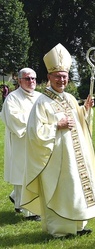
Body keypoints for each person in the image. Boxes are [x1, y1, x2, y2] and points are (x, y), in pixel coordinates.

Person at [21, 43, 95, 238]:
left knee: (77, 188)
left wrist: (85, 109)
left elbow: (79, 121)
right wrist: (57, 124)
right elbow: (34, 132)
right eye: (57, 76)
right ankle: (60, 230)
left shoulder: (70, 98)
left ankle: (78, 226)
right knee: (62, 192)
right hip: (55, 160)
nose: (61, 79)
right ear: (49, 78)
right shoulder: (42, 102)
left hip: (75, 157)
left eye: (64, 76)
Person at [1, 68, 41, 221]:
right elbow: (14, 119)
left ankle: (16, 198)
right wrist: (36, 122)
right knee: (23, 174)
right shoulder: (12, 98)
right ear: (19, 80)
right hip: (21, 142)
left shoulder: (39, 96)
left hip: (38, 142)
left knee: (37, 172)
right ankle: (29, 211)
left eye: (33, 78)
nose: (31, 81)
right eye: (27, 79)